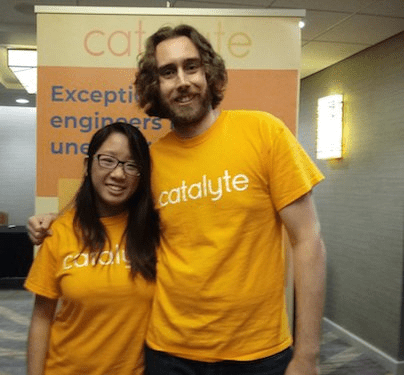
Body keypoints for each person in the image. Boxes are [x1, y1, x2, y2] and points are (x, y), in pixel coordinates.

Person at [28, 24, 326, 375]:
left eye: (192, 66)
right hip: (170, 353)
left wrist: (307, 355)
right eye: (168, 72)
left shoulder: (265, 132)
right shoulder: (151, 162)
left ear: (209, 73)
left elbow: (308, 241)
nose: (182, 81)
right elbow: (104, 199)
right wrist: (53, 218)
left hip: (258, 352)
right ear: (155, 86)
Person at [25, 122, 160, 375]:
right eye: (107, 160)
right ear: (88, 165)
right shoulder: (60, 232)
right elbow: (42, 318)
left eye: (131, 165)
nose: (119, 174)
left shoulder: (154, 234)